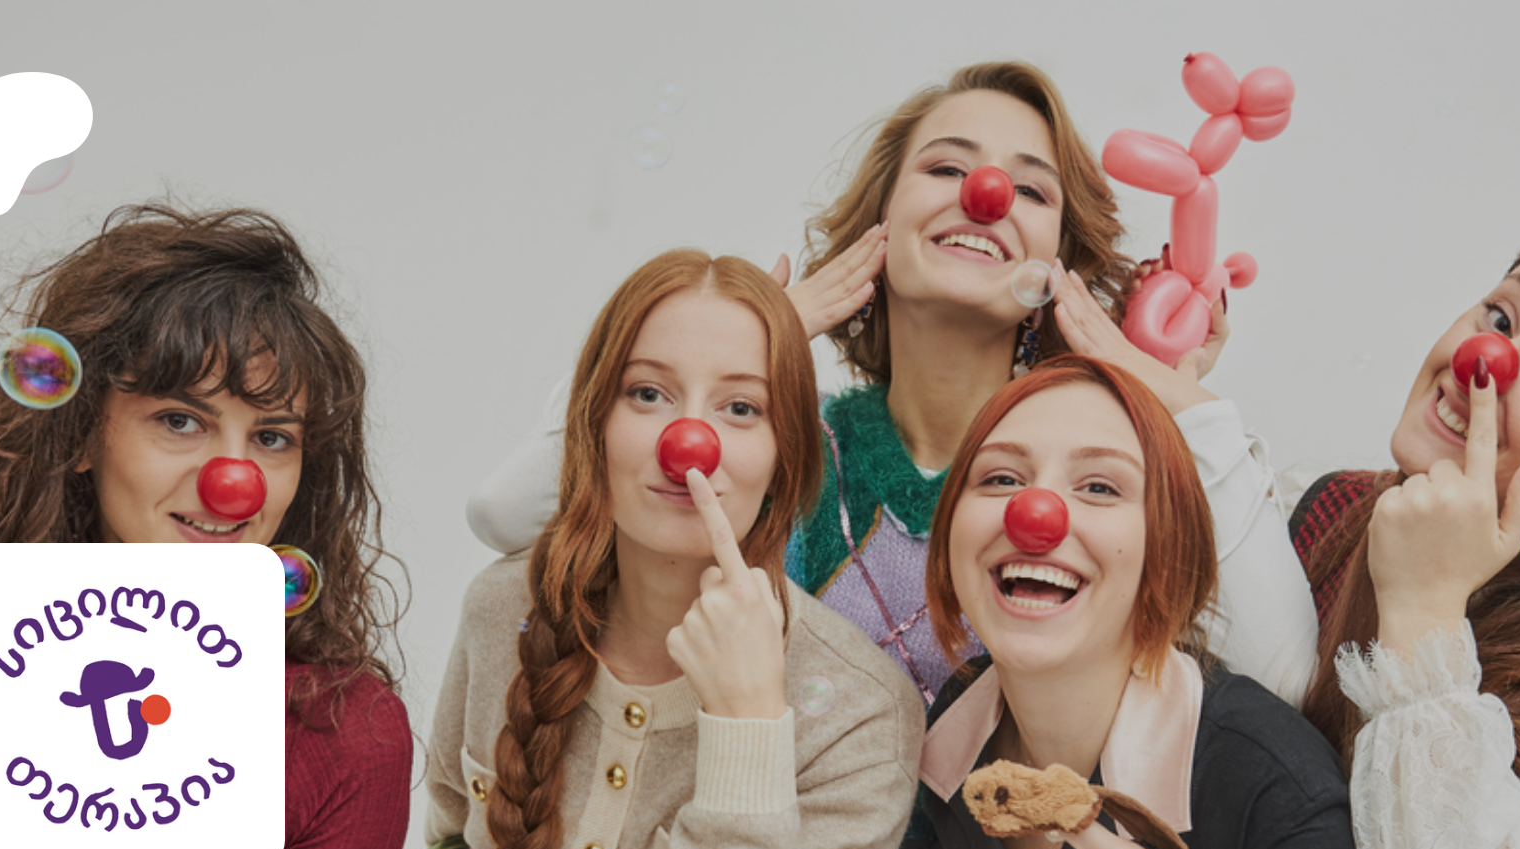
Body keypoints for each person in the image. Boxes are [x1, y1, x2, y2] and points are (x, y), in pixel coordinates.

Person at [465, 62, 1301, 706]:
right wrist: (752, 335)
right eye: (945, 168)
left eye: (1030, 189)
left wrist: (1177, 403)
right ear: (881, 224)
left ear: (1060, 265)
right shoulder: (777, 447)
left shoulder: (1102, 484)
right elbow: (507, 516)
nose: (986, 196)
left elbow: (1285, 676)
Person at [1070, 212, 1520, 849]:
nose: (1484, 359)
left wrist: (1424, 610)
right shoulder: (1320, 514)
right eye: (1500, 316)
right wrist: (1166, 407)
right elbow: (1286, 706)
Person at [0, 204, 412, 849]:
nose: (235, 483)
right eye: (180, 420)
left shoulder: (341, 733)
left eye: (271, 437)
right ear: (79, 434)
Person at [380, 249, 921, 849]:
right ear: (594, 424)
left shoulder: (862, 711)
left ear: (785, 453)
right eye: (647, 394)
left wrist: (747, 727)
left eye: (740, 407)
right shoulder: (500, 609)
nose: (687, 442)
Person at [870, 355, 1377, 849]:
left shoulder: (1267, 774)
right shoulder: (953, 722)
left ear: (1166, 548)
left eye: (1099, 487)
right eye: (1002, 479)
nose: (1035, 514)